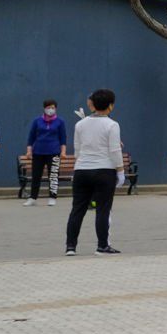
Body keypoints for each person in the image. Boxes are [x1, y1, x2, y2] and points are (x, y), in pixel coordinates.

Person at [64, 90, 124, 255]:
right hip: (104, 171)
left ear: (93, 104)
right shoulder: (112, 125)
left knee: (77, 209)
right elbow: (114, 150)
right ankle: (102, 245)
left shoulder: (80, 125)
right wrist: (120, 170)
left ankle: (71, 246)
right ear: (110, 105)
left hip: (82, 170)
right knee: (103, 209)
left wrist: (79, 165)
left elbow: (77, 150)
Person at [24, 97, 68, 205]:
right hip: (38, 152)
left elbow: (63, 138)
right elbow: (31, 137)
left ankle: (53, 197)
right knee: (36, 176)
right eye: (48, 107)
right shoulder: (37, 121)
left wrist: (63, 152)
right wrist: (29, 151)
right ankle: (33, 198)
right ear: (44, 108)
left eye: (52, 107)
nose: (50, 109)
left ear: (56, 109)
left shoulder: (60, 121)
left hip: (54, 152)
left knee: (53, 175)